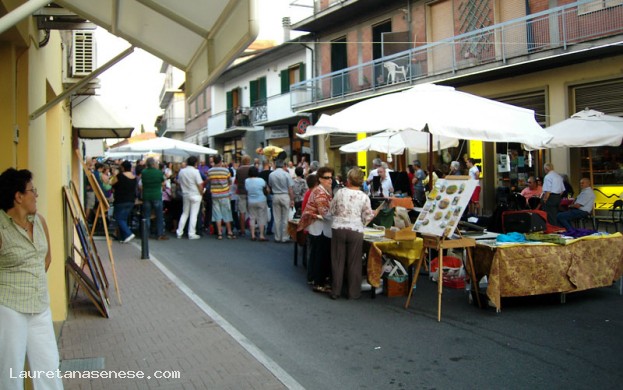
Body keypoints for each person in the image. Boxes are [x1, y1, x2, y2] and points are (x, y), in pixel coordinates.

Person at [0, 168, 64, 390]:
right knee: (10, 370)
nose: (36, 195)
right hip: (9, 308)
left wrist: (31, 281)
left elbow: (46, 258)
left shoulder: (39, 221)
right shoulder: (1, 227)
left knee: (48, 365)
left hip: (39, 306)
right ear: (18, 196)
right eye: (32, 191)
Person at [329, 167, 377, 300]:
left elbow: (331, 210)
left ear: (349, 180)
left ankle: (336, 291)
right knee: (354, 261)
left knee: (337, 260)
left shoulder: (340, 193)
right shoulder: (364, 197)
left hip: (338, 227)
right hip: (355, 229)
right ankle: (353, 292)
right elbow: (367, 217)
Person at [298, 167, 334, 293]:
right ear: (320, 179)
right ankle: (319, 283)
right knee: (320, 254)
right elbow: (325, 213)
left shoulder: (322, 190)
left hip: (318, 226)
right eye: (326, 178)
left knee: (316, 253)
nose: (330, 180)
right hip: (319, 226)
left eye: (331, 177)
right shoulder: (320, 192)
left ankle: (313, 278)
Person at [207, 155, 236, 240]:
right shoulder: (226, 170)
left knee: (217, 214)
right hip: (224, 194)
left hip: (215, 195)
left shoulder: (210, 171)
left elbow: (209, 181)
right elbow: (230, 182)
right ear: (220, 161)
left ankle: (219, 233)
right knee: (227, 213)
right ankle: (229, 232)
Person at [175, 156, 204, 240]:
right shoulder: (196, 172)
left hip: (185, 194)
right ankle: (191, 233)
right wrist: (201, 193)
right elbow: (200, 184)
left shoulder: (181, 171)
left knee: (185, 213)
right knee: (193, 215)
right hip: (195, 194)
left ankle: (179, 232)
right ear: (195, 163)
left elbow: (179, 183)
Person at [141, 157, 168, 240]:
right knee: (159, 216)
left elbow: (142, 183)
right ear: (153, 164)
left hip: (146, 196)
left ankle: (146, 234)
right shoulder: (159, 172)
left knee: (147, 216)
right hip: (156, 195)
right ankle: (159, 234)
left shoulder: (144, 172)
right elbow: (163, 182)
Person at [110, 160, 138, 243]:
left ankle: (129, 233)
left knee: (118, 218)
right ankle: (124, 237)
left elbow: (111, 183)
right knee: (124, 218)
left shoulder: (120, 176)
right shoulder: (134, 177)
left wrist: (114, 175)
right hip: (131, 200)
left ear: (123, 167)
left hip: (120, 200)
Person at [268, 159, 295, 243]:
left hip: (275, 196)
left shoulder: (271, 174)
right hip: (285, 195)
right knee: (285, 218)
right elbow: (290, 188)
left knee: (277, 218)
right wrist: (292, 199)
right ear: (284, 165)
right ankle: (285, 237)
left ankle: (277, 237)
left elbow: (270, 186)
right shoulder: (286, 174)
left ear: (275, 165)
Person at [245, 166, 269, 241]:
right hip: (261, 200)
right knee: (261, 217)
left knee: (252, 217)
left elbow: (246, 190)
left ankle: (253, 235)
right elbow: (267, 189)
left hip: (251, 200)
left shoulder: (247, 180)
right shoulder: (261, 180)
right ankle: (261, 235)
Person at [236, 155, 252, 237]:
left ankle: (242, 230)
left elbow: (237, 180)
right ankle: (252, 229)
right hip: (250, 192)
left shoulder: (239, 169)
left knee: (242, 212)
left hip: (241, 191)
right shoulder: (252, 169)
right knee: (252, 212)